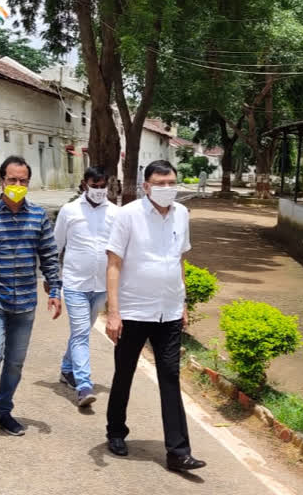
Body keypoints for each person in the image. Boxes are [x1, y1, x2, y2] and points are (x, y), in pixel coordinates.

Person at [103, 159, 207, 472]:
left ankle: (178, 452)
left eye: (170, 182)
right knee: (125, 372)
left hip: (169, 312)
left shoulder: (182, 214)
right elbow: (113, 263)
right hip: (134, 311)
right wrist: (113, 312)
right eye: (159, 184)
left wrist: (184, 303)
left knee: (170, 377)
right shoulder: (128, 215)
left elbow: (179, 261)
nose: (166, 189)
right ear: (146, 186)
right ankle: (116, 431)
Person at [0, 156, 62, 443]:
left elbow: (48, 253)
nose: (17, 185)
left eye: (23, 181)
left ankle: (3, 411)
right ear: (1, 181)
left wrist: (55, 289)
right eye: (12, 180)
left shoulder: (38, 215)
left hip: (25, 303)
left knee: (16, 362)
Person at [53, 166, 117, 407]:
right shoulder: (69, 211)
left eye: (103, 187)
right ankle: (83, 385)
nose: (99, 191)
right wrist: (52, 281)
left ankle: (67, 368)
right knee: (80, 332)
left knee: (82, 332)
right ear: (84, 184)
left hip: (101, 286)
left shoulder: (116, 213)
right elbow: (56, 245)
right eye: (95, 186)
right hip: (74, 284)